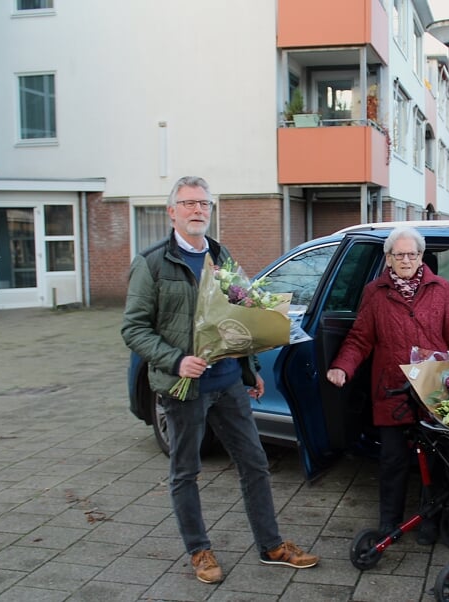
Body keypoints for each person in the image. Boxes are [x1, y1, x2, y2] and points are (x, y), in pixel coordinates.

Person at [121, 176, 318, 584]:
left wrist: (250, 370)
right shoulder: (152, 263)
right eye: (188, 203)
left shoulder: (221, 255)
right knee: (186, 472)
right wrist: (175, 361)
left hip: (228, 383)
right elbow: (134, 329)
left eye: (204, 204)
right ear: (171, 211)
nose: (197, 210)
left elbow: (239, 315)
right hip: (185, 388)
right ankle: (199, 550)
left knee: (255, 464)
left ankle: (271, 545)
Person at [325, 226, 449, 544]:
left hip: (433, 391)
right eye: (399, 254)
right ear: (388, 258)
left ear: (421, 257)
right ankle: (389, 523)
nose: (406, 260)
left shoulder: (441, 288)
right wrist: (342, 366)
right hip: (393, 390)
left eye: (412, 254)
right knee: (393, 461)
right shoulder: (374, 293)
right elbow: (360, 339)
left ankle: (430, 519)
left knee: (434, 459)